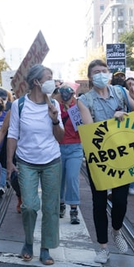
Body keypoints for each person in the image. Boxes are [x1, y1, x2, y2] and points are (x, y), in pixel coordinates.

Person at [77, 59, 134, 264]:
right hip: (99, 160)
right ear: (90, 77)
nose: (101, 74)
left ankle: (117, 230)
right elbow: (90, 130)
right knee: (99, 202)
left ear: (109, 73)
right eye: (96, 72)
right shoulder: (84, 100)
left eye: (104, 71)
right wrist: (114, 119)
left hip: (122, 156)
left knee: (120, 201)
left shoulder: (121, 93)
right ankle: (103, 247)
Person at [6, 65, 64, 265]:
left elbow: (60, 137)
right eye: (49, 77)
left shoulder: (54, 104)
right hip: (26, 161)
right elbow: (13, 134)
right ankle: (28, 242)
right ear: (36, 82)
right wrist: (9, 163)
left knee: (50, 207)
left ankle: (46, 248)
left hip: (52, 161)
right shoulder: (19, 105)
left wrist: (55, 120)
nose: (53, 81)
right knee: (29, 206)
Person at [56, 84, 82, 225]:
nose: (66, 98)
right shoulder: (56, 107)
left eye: (69, 95)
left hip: (75, 147)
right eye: (63, 95)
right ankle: (60, 203)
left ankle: (73, 209)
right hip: (58, 147)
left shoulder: (78, 108)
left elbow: (83, 127)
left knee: (72, 178)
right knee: (59, 178)